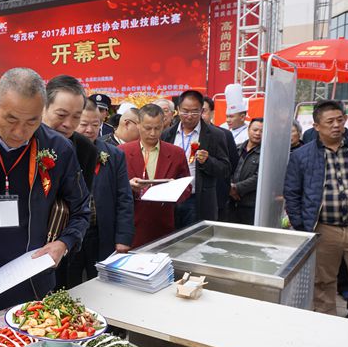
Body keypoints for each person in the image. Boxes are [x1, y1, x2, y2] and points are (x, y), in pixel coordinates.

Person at [0, 68, 90, 339]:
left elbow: (82, 208)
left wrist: (64, 243)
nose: (20, 131)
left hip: (31, 281)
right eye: (10, 119)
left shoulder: (58, 148)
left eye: (32, 122)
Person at [284, 100, 348, 316]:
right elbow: (292, 192)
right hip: (324, 229)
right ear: (316, 126)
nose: (336, 125)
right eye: (330, 121)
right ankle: (327, 329)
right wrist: (302, 226)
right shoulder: (301, 156)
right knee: (323, 283)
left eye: (340, 120)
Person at [72, 100, 134, 286]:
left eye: (95, 125)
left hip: (101, 232)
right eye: (84, 124)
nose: (90, 130)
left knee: (100, 284)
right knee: (69, 284)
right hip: (71, 234)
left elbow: (125, 197)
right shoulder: (62, 151)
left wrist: (123, 238)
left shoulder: (113, 154)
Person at [121, 103, 191, 247]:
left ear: (164, 124)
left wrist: (174, 189)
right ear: (138, 125)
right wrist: (128, 186)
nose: (153, 133)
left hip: (163, 223)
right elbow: (112, 187)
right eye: (148, 128)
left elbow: (187, 187)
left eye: (157, 128)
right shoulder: (122, 152)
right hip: (132, 224)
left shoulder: (176, 153)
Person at [162, 90, 230, 228]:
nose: (189, 116)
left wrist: (208, 161)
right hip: (170, 199)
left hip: (197, 199)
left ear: (201, 110)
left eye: (194, 112)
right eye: (185, 111)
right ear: (178, 110)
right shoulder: (167, 134)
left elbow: (225, 169)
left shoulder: (216, 135)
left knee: (194, 241)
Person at [44, 75, 97, 191]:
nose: (68, 124)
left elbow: (83, 198)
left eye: (76, 117)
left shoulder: (86, 150)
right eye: (61, 115)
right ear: (43, 107)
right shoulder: (22, 139)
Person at [203, 97, 239, 222]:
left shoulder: (223, 134)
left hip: (217, 193)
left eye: (203, 111)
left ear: (212, 113)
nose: (199, 115)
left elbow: (232, 163)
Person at [228, 118, 264, 225]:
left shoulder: (266, 153)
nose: (258, 133)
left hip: (250, 204)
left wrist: (236, 188)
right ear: (248, 130)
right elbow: (226, 169)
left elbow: (259, 177)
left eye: (262, 131)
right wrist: (229, 187)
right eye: (255, 130)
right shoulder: (237, 148)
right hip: (230, 201)